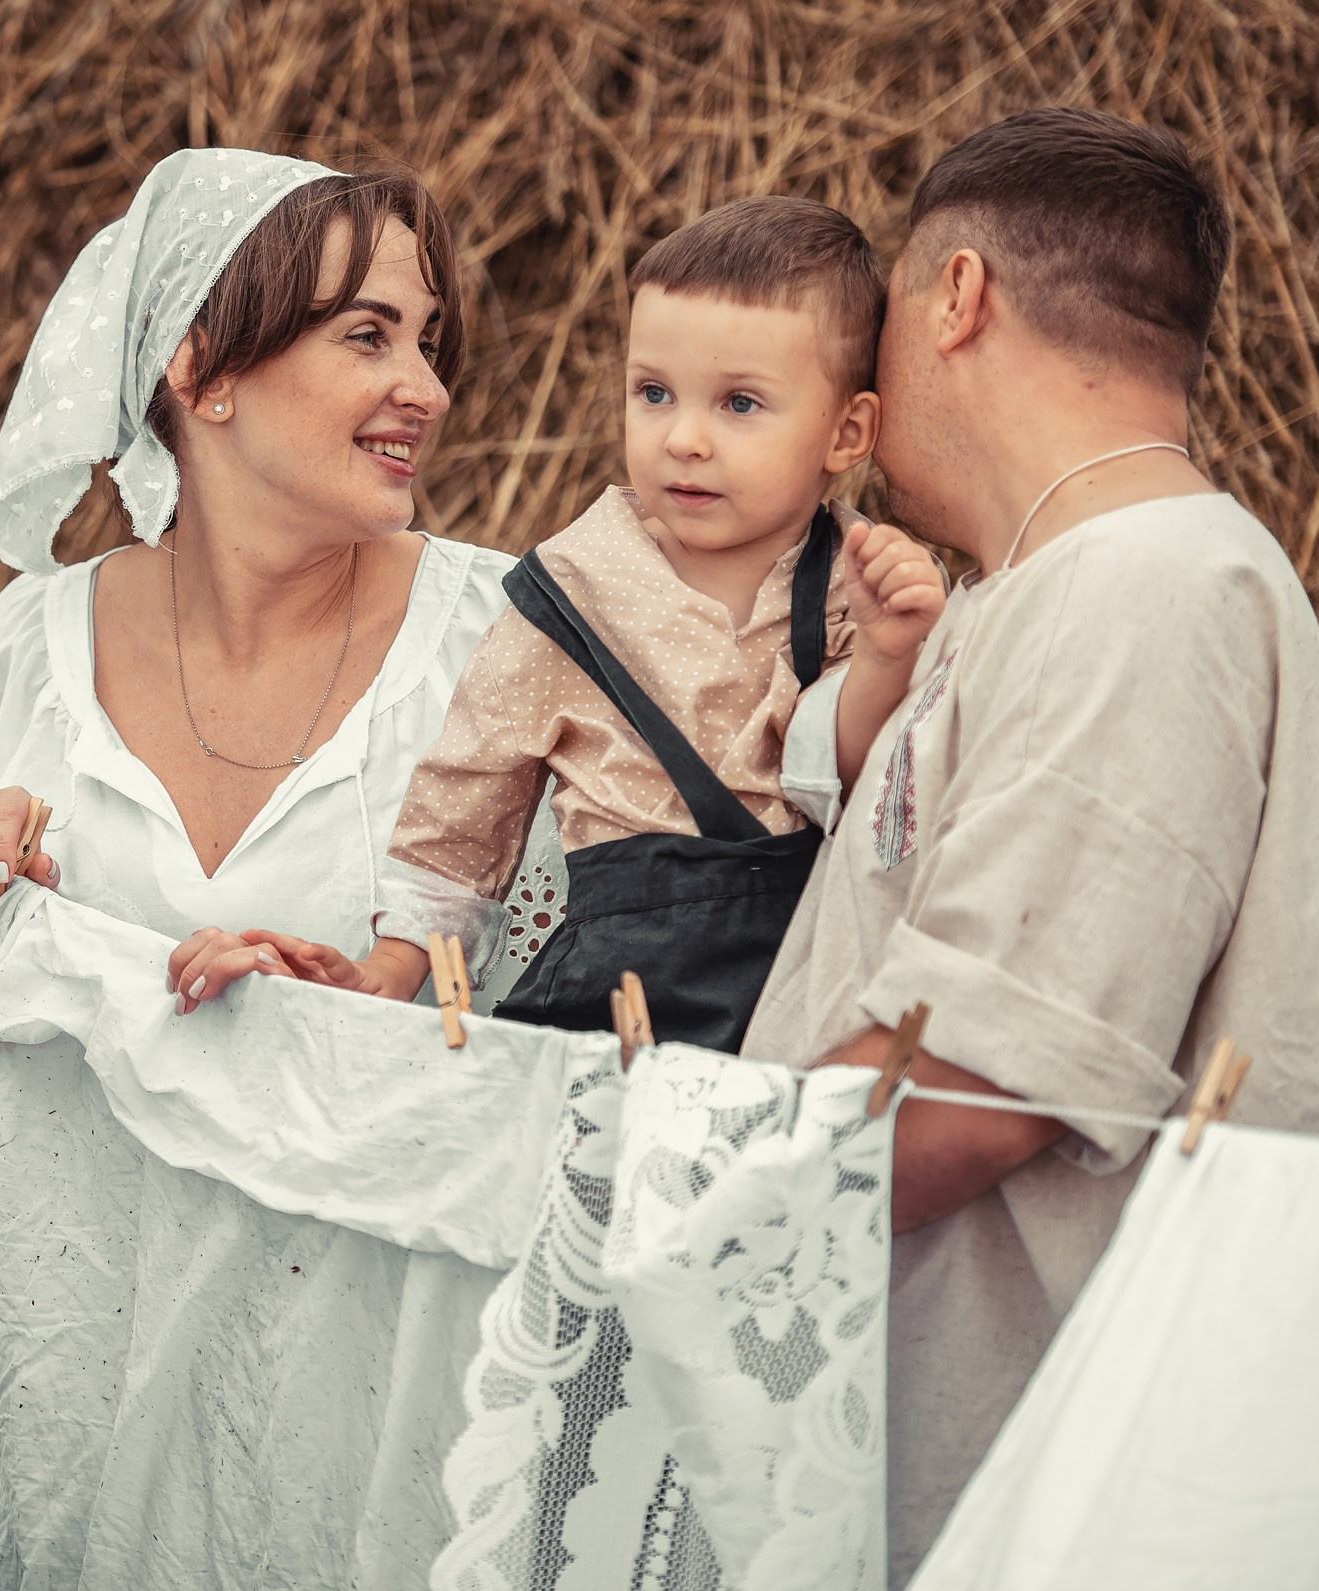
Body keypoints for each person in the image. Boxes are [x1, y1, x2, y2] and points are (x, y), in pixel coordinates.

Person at [0, 148, 559, 1591]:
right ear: (202, 368)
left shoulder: (501, 642)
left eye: (431, 342)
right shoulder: (25, 648)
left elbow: (581, 1013)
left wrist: (379, 993)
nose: (429, 390)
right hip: (72, 1412)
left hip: (371, 1440)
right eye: (369, 337)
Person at [743, 108, 1319, 1586]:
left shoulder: (1148, 591)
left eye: (886, 307)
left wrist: (641, 1196)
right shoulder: (1051, 590)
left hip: (1017, 1505)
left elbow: (973, 1090)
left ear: (956, 296)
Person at [238, 196, 949, 1048]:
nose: (684, 437)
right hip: (621, 996)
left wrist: (888, 651)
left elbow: (845, 770)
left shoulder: (859, 585)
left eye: (740, 405)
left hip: (801, 984)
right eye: (654, 393)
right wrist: (392, 969)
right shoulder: (571, 594)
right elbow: (468, 800)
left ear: (848, 430)